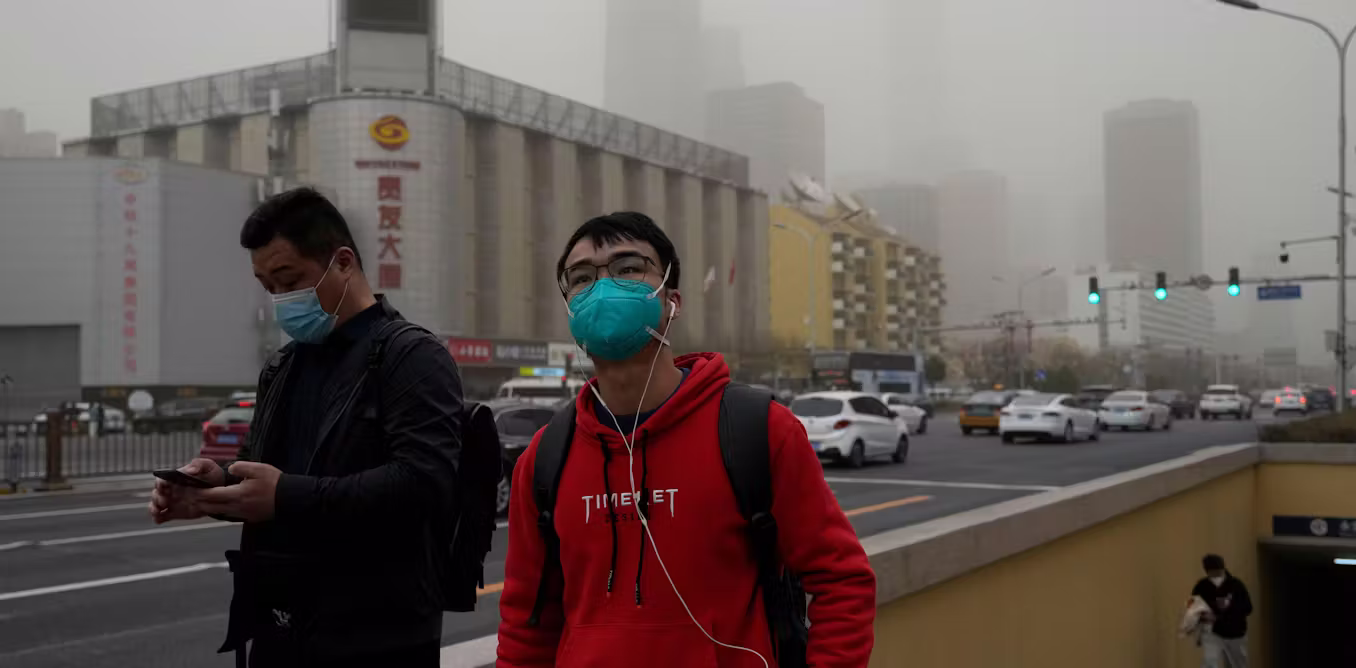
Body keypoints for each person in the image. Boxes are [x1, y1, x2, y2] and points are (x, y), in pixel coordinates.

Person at [496, 212, 877, 667]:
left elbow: (842, 580)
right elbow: (527, 622)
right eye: (581, 278)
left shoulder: (759, 431)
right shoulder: (544, 459)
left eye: (627, 269)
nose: (602, 288)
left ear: (671, 301)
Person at [148, 188, 464, 668]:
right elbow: (268, 476)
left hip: (378, 636)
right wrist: (215, 486)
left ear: (342, 263)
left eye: (289, 279)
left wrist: (285, 495)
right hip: (280, 627)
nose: (279, 298)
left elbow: (425, 482)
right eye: (267, 285)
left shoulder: (410, 355)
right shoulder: (283, 365)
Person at [1192, 554, 1253, 668]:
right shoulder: (1202, 587)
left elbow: (1248, 608)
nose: (1215, 575)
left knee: (1236, 664)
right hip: (1213, 632)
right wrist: (1199, 625)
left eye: (1218, 572)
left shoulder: (1236, 585)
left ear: (1223, 569)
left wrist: (1222, 616)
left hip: (1235, 633)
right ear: (1207, 571)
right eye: (1212, 572)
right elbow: (1194, 609)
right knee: (1209, 662)